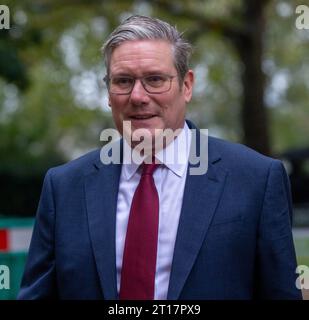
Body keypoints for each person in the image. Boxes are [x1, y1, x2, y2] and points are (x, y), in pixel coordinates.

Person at [18, 15, 302, 300]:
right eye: (123, 81)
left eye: (155, 79)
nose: (138, 96)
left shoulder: (256, 180)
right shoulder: (64, 187)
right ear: (108, 91)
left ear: (187, 85)